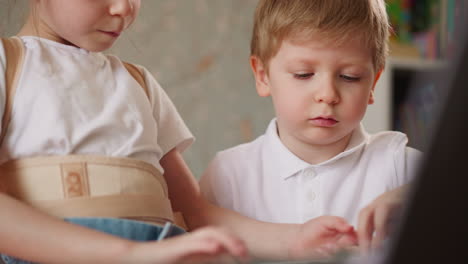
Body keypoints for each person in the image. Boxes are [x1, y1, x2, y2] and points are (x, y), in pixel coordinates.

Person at [0, 1, 359, 263]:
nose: (124, 8)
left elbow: (196, 212)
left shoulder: (138, 83)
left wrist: (295, 239)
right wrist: (128, 254)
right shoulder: (8, 62)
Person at [199, 0, 422, 254]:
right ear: (262, 76)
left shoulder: (397, 164)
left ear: (373, 83)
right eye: (304, 74)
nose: (327, 95)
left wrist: (416, 199)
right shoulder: (228, 174)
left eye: (350, 76)